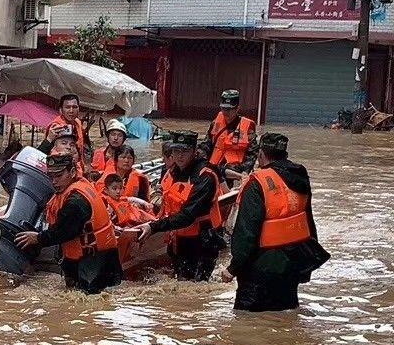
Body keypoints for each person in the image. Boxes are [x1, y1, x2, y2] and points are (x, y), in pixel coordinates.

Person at [222, 133, 330, 311]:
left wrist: (233, 268)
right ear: (285, 154)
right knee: (285, 319)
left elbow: (247, 233)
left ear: (261, 155)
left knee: (247, 325)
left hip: (260, 269)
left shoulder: (257, 183)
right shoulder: (300, 177)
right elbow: (308, 220)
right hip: (292, 265)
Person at [14, 152, 122, 294]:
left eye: (58, 176)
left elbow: (64, 232)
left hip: (93, 264)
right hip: (94, 261)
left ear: (72, 172)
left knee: (86, 305)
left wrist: (37, 238)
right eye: (50, 177)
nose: (54, 182)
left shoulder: (76, 201)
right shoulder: (76, 187)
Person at [134, 131, 223, 281]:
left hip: (202, 241)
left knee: (195, 286)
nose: (180, 156)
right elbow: (165, 204)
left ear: (194, 152)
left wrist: (154, 227)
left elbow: (188, 215)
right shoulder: (171, 172)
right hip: (178, 239)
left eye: (185, 151)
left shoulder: (205, 176)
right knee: (181, 282)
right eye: (176, 151)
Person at [203, 89, 257, 176]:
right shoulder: (215, 123)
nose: (225, 112)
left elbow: (252, 153)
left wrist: (245, 171)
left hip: (235, 170)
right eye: (223, 108)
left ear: (237, 109)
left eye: (229, 109)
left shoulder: (247, 126)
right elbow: (206, 145)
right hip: (214, 168)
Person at [40, 94, 89, 172]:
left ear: (79, 109)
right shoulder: (56, 126)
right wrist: (49, 138)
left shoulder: (78, 123)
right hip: (60, 169)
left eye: (74, 107)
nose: (71, 111)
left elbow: (81, 147)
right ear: (61, 110)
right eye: (67, 107)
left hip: (77, 167)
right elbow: (43, 153)